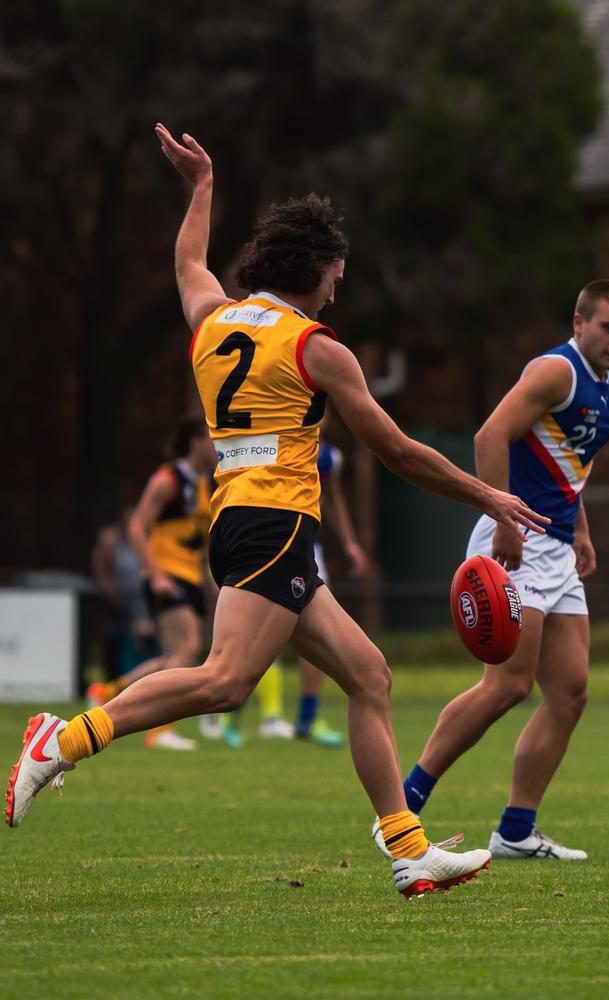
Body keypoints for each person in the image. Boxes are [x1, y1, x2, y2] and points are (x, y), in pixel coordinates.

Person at [5, 125, 549, 899]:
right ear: (319, 270)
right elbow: (396, 451)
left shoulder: (215, 318)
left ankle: (408, 850)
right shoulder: (316, 347)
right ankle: (64, 738)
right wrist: (489, 494)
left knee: (368, 676)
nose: (340, 287)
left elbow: (188, 264)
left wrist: (201, 189)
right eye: (338, 274)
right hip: (275, 523)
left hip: (238, 522)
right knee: (226, 681)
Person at [377, 279, 609, 862]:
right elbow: (490, 434)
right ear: (579, 323)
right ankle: (401, 806)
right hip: (517, 541)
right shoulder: (556, 372)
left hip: (557, 546)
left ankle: (516, 831)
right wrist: (502, 520)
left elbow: (568, 464)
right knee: (508, 687)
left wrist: (584, 532)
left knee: (570, 693)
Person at [88, 418, 216, 750]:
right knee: (186, 649)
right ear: (194, 441)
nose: (218, 443)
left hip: (189, 577)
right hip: (167, 577)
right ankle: (160, 730)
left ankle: (107, 692)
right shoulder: (166, 479)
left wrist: (211, 577)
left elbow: (199, 540)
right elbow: (136, 528)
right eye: (212, 437)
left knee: (175, 657)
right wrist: (156, 575)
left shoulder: (204, 484)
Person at [294, 435, 368, 747]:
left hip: (310, 549)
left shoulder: (328, 457)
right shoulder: (278, 440)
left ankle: (307, 718)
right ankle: (228, 716)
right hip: (272, 545)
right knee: (229, 674)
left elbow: (334, 500)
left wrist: (350, 543)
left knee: (321, 636)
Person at [90, 509, 159, 681]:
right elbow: (101, 571)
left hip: (151, 607)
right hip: (122, 611)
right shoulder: (111, 543)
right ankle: (119, 687)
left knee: (162, 655)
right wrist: (113, 597)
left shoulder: (153, 542)